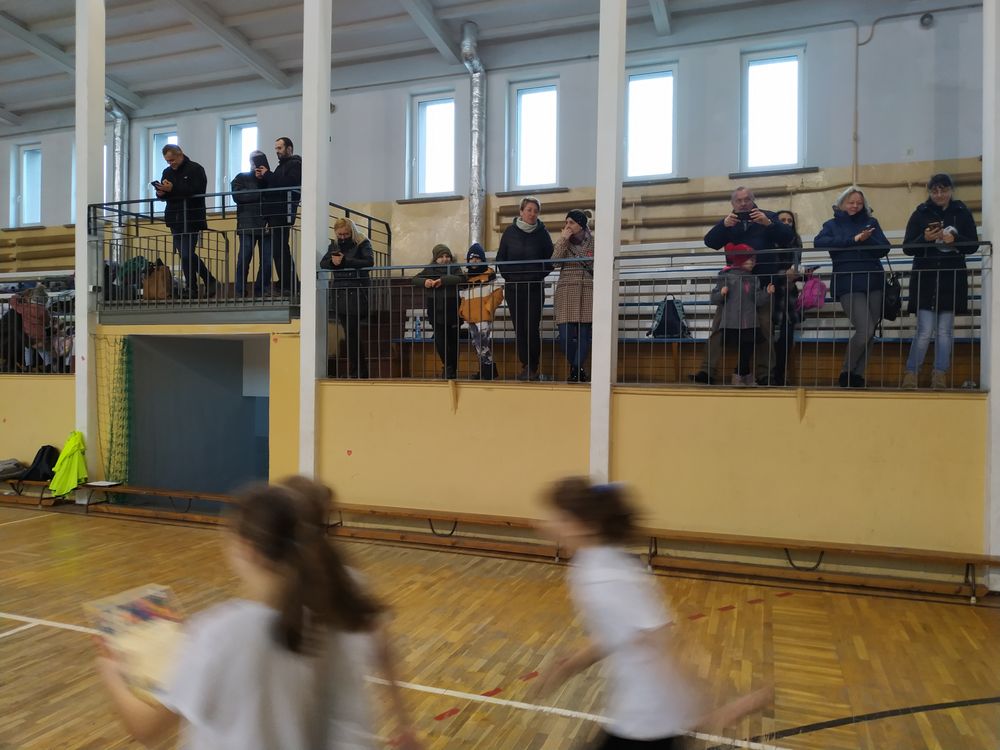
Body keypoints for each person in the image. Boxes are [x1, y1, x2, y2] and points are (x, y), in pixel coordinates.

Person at [94, 483, 388, 750]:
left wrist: (111, 672)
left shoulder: (221, 632)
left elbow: (147, 729)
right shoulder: (326, 620)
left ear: (247, 549)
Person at [536, 478, 772, 749]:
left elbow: (661, 641)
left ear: (586, 526)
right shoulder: (592, 564)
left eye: (560, 517)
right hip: (638, 713)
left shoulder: (609, 577)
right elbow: (618, 632)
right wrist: (571, 666)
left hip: (649, 718)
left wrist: (710, 709)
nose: (547, 523)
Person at [693, 187, 794, 385]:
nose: (743, 203)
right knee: (718, 327)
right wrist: (723, 225)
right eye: (738, 200)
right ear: (733, 203)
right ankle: (707, 371)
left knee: (765, 328)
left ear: (753, 200)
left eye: (747, 199)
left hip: (762, 283)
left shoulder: (768, 216)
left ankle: (766, 374)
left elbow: (787, 237)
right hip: (733, 285)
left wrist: (768, 224)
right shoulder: (729, 221)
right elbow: (710, 242)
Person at [901, 173, 979, 390]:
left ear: (950, 191)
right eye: (935, 190)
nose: (939, 194)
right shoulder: (920, 213)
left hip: (951, 280)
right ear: (930, 192)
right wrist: (924, 239)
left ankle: (940, 375)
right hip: (925, 279)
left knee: (945, 331)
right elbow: (907, 247)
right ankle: (911, 374)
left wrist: (956, 240)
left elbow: (973, 245)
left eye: (943, 190)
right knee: (924, 330)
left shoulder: (962, 212)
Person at [813, 186, 890, 388]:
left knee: (870, 332)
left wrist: (867, 239)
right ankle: (846, 371)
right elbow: (819, 243)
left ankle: (858, 375)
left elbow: (884, 248)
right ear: (842, 203)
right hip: (848, 281)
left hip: (874, 280)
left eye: (859, 203)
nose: (855, 206)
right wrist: (854, 240)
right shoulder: (831, 224)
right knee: (865, 329)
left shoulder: (872, 222)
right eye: (851, 202)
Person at [496, 196, 554, 381]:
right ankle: (525, 364)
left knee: (531, 327)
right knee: (520, 328)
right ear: (521, 212)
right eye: (529, 210)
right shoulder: (509, 232)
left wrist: (536, 276)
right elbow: (500, 259)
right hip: (514, 289)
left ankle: (532, 366)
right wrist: (510, 277)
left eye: (535, 211)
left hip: (534, 288)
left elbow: (551, 260)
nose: (532, 214)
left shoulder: (542, 233)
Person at [155, 144, 217, 297]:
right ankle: (204, 282)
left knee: (187, 254)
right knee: (185, 254)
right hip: (174, 218)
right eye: (167, 161)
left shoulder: (196, 169)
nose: (170, 163)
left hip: (191, 217)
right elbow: (168, 195)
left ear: (180, 154)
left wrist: (172, 189)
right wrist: (161, 193)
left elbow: (196, 191)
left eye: (172, 160)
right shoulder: (167, 172)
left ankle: (195, 286)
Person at [709, 243, 775, 386]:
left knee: (748, 347)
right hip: (732, 321)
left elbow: (757, 299)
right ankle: (742, 375)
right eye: (749, 259)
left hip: (750, 321)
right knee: (744, 347)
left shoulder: (753, 279)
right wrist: (721, 293)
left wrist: (767, 293)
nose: (752, 263)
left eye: (754, 260)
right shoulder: (726, 276)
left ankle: (741, 374)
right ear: (740, 259)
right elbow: (714, 298)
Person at [321, 218, 375, 379]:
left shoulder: (362, 242)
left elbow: (369, 262)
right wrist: (333, 262)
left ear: (352, 231)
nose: (343, 237)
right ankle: (357, 370)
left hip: (356, 292)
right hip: (340, 292)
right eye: (340, 234)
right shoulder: (334, 245)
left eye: (346, 234)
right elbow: (323, 263)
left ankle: (358, 371)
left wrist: (345, 261)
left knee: (352, 334)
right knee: (349, 334)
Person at [552, 209, 594, 383]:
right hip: (566, 290)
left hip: (587, 289)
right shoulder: (563, 241)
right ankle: (578, 368)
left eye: (571, 222)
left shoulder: (594, 242)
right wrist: (563, 239)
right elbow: (554, 262)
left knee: (584, 334)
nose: (567, 226)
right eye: (566, 222)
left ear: (581, 225)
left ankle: (576, 371)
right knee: (565, 337)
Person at [257, 137, 302, 295]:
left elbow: (289, 183)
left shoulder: (295, 164)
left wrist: (268, 174)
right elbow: (275, 185)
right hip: (277, 212)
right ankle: (289, 283)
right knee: (280, 250)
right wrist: (263, 178)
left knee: (280, 250)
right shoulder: (281, 167)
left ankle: (289, 285)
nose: (277, 151)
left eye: (280, 148)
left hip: (283, 212)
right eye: (276, 148)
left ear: (289, 148)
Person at [413, 244, 465, 379]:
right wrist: (425, 282)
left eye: (447, 256)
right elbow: (415, 279)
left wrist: (443, 281)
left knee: (453, 341)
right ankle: (448, 366)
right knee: (440, 341)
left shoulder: (454, 268)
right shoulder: (429, 269)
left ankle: (451, 369)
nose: (444, 259)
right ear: (435, 258)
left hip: (452, 308)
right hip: (435, 308)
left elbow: (461, 278)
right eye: (441, 256)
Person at [459, 243, 503, 381]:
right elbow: (463, 297)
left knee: (483, 344)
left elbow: (498, 293)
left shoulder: (489, 274)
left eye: (477, 258)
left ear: (482, 259)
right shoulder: (466, 278)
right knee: (477, 345)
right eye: (471, 258)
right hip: (470, 316)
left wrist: (488, 307)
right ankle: (486, 371)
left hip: (483, 315)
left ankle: (488, 372)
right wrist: (462, 310)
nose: (474, 261)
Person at [231, 150, 271, 297]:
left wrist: (264, 177)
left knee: (267, 261)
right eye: (253, 161)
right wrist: (260, 192)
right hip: (247, 223)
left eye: (258, 161)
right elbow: (238, 196)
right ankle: (240, 291)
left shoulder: (269, 178)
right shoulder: (241, 177)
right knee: (244, 258)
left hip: (267, 223)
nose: (255, 164)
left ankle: (262, 290)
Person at [772, 210, 804, 386]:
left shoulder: (796, 239)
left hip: (788, 294)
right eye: (782, 220)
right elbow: (764, 268)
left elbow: (797, 264)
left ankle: (779, 375)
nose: (786, 223)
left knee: (786, 337)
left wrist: (797, 274)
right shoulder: (769, 239)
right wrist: (783, 274)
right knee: (765, 335)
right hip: (769, 291)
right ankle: (766, 373)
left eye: (789, 220)